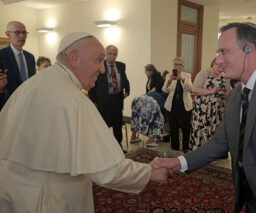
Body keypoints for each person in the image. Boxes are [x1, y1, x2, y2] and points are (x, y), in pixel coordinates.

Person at [0, 32, 168, 213]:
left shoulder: (32, 84)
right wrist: (148, 172)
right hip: (48, 199)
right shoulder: (73, 100)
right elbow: (107, 168)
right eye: (98, 60)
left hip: (12, 192)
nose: (103, 69)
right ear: (74, 58)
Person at [154, 22, 256, 212]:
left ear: (249, 49)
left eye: (224, 52)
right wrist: (178, 162)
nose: (218, 60)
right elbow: (220, 143)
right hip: (249, 200)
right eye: (218, 53)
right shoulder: (234, 97)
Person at [89, 45, 130, 152]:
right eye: (110, 54)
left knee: (117, 125)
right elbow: (92, 85)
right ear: (106, 55)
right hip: (104, 101)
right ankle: (105, 149)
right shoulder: (99, 66)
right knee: (104, 126)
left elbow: (124, 79)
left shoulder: (121, 65)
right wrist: (93, 101)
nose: (112, 56)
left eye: (114, 54)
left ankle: (118, 147)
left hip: (117, 99)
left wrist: (127, 90)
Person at [189, 58, 230, 151]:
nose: (220, 69)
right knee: (202, 130)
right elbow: (195, 89)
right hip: (202, 110)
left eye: (222, 67)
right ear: (214, 64)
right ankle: (198, 152)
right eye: (219, 67)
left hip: (217, 111)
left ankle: (211, 153)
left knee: (214, 131)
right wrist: (211, 91)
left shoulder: (225, 76)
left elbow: (228, 92)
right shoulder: (204, 73)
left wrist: (224, 94)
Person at [0, 21, 36, 111]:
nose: (22, 36)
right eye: (17, 32)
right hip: (8, 106)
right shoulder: (1, 55)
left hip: (29, 105)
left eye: (24, 33)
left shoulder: (30, 57)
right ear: (8, 34)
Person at [162, 57, 193, 153]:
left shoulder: (187, 75)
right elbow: (164, 90)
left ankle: (185, 146)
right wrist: (169, 81)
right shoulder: (168, 75)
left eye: (180, 65)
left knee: (185, 127)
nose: (178, 66)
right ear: (173, 65)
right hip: (172, 104)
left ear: (182, 66)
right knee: (173, 126)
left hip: (185, 105)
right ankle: (174, 146)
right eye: (176, 64)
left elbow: (191, 88)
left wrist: (182, 79)